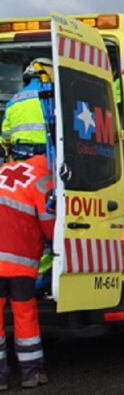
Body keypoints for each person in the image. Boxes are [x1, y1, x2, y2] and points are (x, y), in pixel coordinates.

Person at [0, 153, 54, 388]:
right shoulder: (43, 179)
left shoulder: (3, 170)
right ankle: (31, 373)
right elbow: (50, 224)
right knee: (24, 314)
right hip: (19, 262)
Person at [1, 60, 51, 160]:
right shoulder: (52, 95)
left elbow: (6, 134)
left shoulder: (13, 101)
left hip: (21, 153)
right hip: (49, 153)